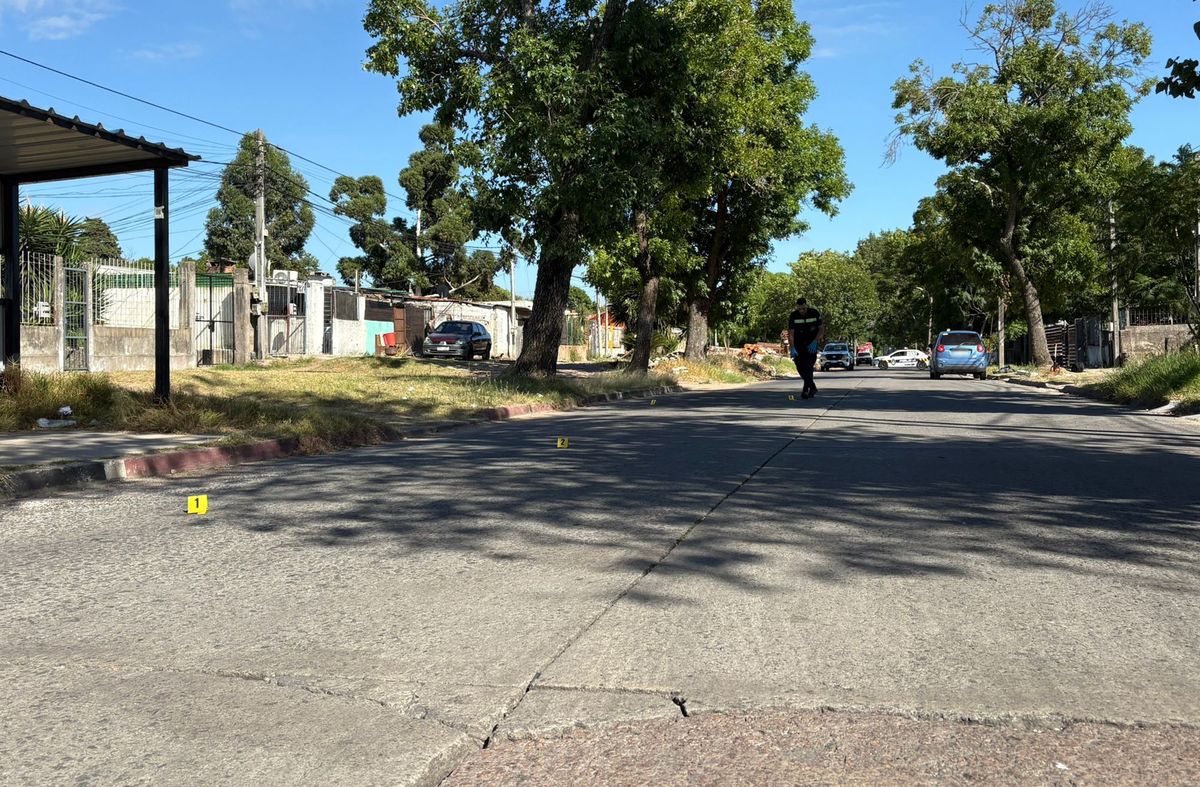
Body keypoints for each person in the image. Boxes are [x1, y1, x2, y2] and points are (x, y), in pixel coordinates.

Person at [789, 297, 824, 399]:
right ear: (797, 307)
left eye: (803, 308)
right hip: (798, 345)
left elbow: (821, 329)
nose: (801, 311)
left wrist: (815, 341)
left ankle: (806, 390)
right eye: (799, 309)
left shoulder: (814, 313)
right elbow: (791, 332)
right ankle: (812, 387)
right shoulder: (793, 315)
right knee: (800, 367)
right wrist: (792, 347)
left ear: (806, 306)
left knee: (808, 367)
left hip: (811, 345)